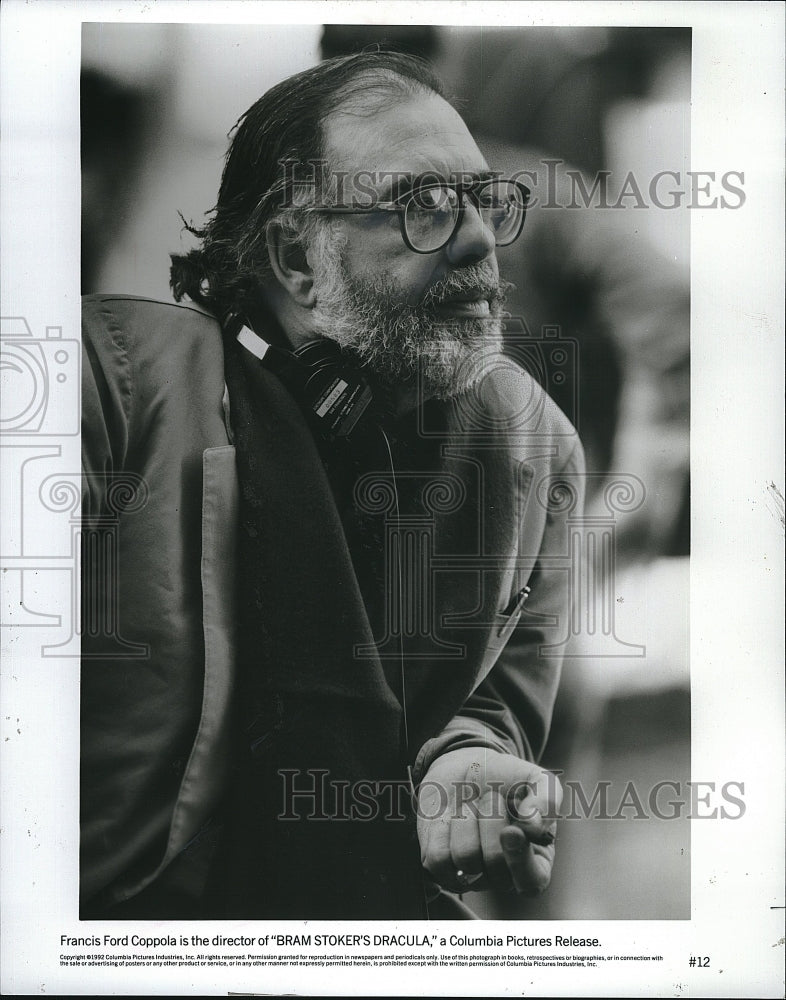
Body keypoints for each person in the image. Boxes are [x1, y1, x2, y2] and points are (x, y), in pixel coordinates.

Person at [80, 51, 584, 920]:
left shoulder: (530, 442)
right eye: (421, 205)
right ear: (296, 259)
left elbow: (493, 705)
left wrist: (469, 758)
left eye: (483, 200)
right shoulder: (103, 389)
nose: (476, 240)